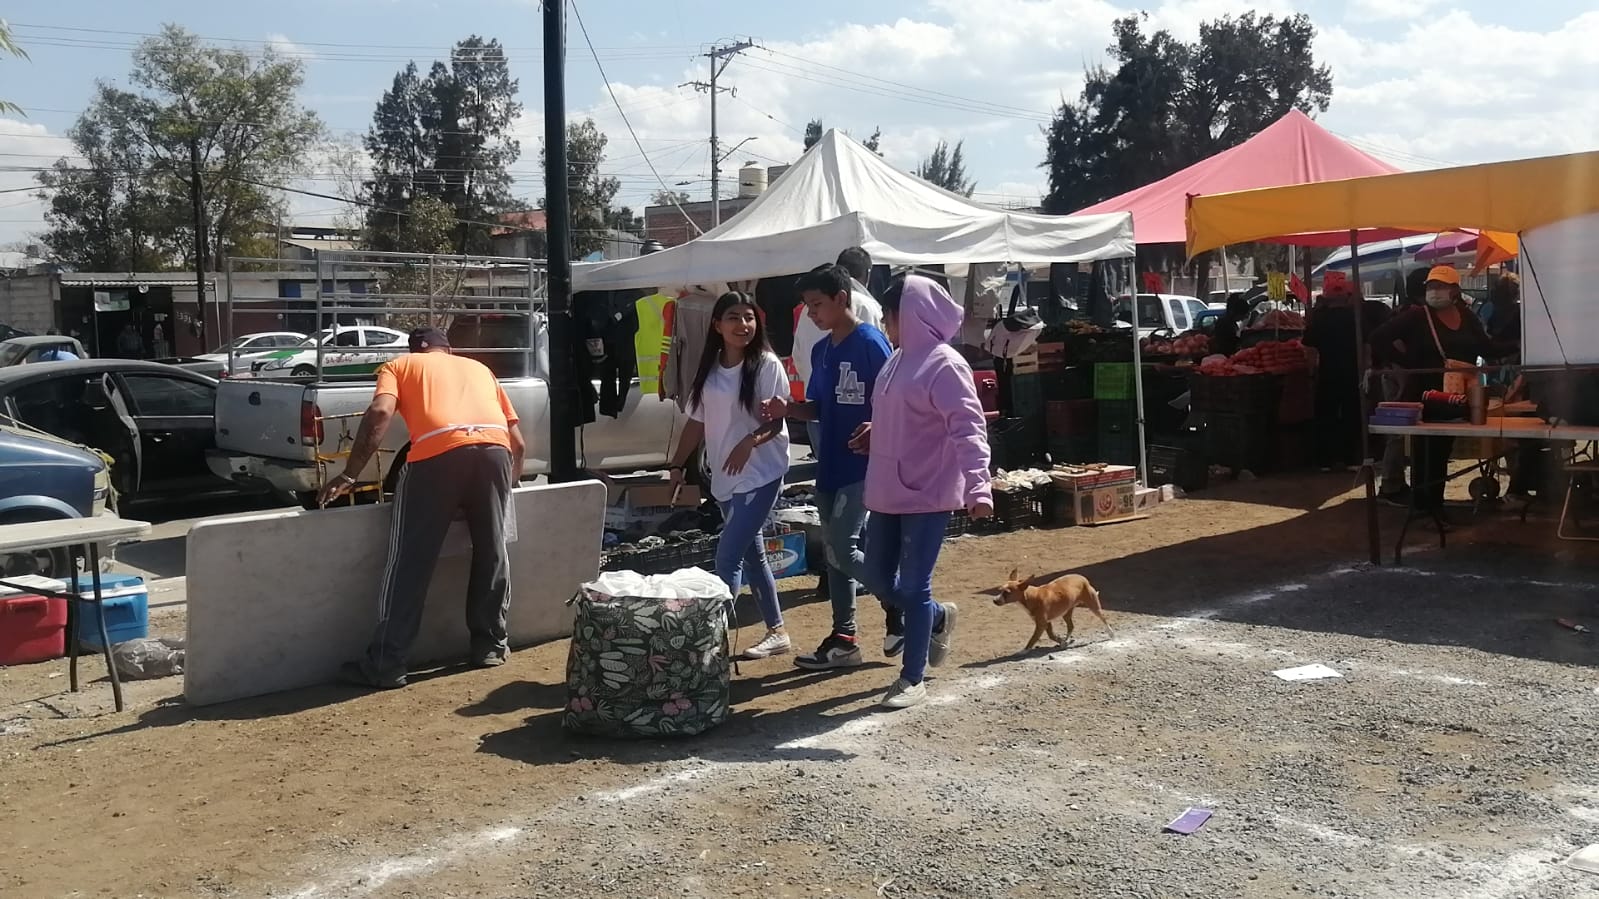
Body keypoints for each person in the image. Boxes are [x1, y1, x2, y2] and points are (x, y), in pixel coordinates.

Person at [320, 327, 525, 689]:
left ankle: (387, 662)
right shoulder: (480, 368)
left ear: (415, 349)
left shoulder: (399, 365)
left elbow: (381, 411)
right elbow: (519, 445)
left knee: (410, 558)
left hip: (436, 454)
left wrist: (350, 474)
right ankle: (490, 644)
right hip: (496, 451)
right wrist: (500, 491)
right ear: (450, 350)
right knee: (492, 550)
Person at [853, 274, 993, 708]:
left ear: (907, 314)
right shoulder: (895, 360)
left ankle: (912, 678)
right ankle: (934, 616)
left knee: (914, 586)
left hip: (927, 491)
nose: (885, 324)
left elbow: (968, 426)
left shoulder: (945, 363)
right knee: (875, 576)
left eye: (889, 316)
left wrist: (978, 484)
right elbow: (906, 413)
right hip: (886, 490)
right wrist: (877, 433)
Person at [775, 264, 895, 669]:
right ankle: (845, 638)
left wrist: (879, 427)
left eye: (817, 304)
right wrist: (787, 408)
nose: (812, 314)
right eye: (808, 306)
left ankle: (913, 608)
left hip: (864, 467)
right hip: (829, 465)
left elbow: (894, 400)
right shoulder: (821, 350)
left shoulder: (870, 342)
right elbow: (819, 408)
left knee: (843, 548)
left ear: (842, 298)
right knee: (834, 554)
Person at [666, 291, 794, 660]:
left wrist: (748, 442)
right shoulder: (710, 369)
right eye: (734, 318)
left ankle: (711, 640)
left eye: (749, 317)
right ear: (716, 325)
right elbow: (696, 420)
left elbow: (777, 422)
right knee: (751, 556)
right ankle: (777, 632)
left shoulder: (767, 365)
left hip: (760, 473)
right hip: (724, 477)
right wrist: (676, 466)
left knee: (728, 556)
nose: (743, 325)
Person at [1367, 266, 1516, 515]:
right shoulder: (1416, 316)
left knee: (1442, 452)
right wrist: (1409, 364)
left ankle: (1433, 508)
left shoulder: (1466, 316)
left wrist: (1518, 344)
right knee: (1426, 453)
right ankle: (1426, 509)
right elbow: (1378, 338)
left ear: (1455, 290)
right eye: (1431, 286)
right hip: (1425, 396)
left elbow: (1487, 348)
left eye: (1441, 286)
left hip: (1458, 397)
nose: (1435, 291)